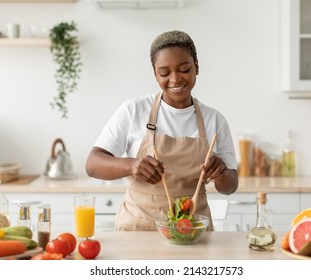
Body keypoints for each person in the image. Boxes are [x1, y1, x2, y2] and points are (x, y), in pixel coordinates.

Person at [86, 30, 238, 231]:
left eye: (184, 69)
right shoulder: (134, 110)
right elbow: (93, 164)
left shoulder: (214, 119)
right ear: (156, 74)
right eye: (165, 73)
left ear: (196, 67)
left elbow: (230, 187)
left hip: (192, 232)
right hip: (138, 229)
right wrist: (131, 165)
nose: (175, 79)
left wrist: (222, 173)